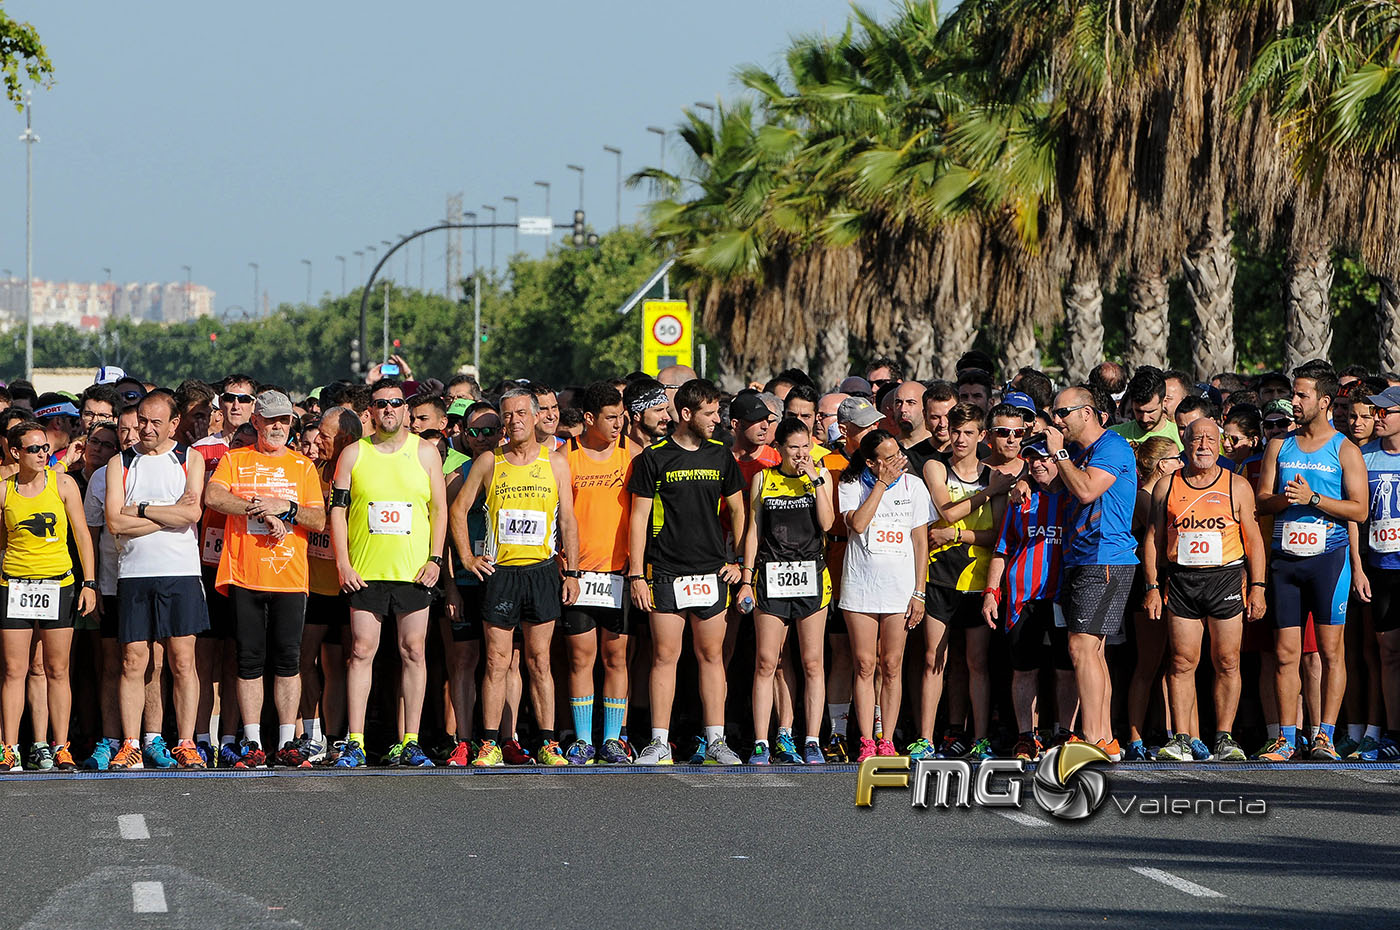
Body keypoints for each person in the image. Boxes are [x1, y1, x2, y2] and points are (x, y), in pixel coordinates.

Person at [453, 387, 579, 767]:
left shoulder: (555, 462)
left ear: (537, 416)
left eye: (522, 413)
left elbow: (567, 520)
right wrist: (467, 558)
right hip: (501, 573)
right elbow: (458, 510)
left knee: (539, 661)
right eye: (507, 415)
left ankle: (547, 743)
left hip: (541, 571)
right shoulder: (489, 461)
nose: (514, 420)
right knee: (496, 660)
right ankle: (489, 743)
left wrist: (572, 571)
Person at [328, 379, 448, 768]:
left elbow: (439, 510)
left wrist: (435, 559)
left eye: (396, 403)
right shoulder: (353, 454)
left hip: (413, 571)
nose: (389, 410)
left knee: (413, 650)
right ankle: (356, 741)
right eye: (381, 404)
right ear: (371, 412)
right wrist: (343, 563)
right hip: (366, 571)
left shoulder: (425, 452)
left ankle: (410, 740)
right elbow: (337, 512)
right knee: (361, 650)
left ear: (406, 410)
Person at [203, 391, 326, 768]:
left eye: (284, 420)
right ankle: (253, 739)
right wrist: (258, 509)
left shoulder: (303, 466)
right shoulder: (236, 459)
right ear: (255, 421)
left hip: (290, 579)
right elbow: (213, 497)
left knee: (289, 661)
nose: (278, 427)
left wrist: (285, 508)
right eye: (271, 419)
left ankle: (288, 740)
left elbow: (318, 520)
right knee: (249, 661)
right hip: (245, 574)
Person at [627, 379, 746, 765]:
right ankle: (659, 742)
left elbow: (739, 510)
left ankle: (716, 741)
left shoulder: (721, 455)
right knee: (665, 656)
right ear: (685, 414)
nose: (717, 420)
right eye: (709, 414)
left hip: (712, 572)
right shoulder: (653, 457)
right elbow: (638, 518)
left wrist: (738, 561)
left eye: (717, 412)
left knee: (711, 656)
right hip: (665, 571)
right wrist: (636, 575)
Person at [1254, 362, 1368, 761]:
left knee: (1330, 653)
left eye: (1302, 395)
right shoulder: (1278, 446)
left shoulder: (1345, 449)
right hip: (1286, 562)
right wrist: (1285, 500)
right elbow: (1261, 500)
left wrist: (1314, 499)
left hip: (1328, 561)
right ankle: (1286, 738)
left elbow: (1359, 510)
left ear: (1324, 401)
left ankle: (1325, 736)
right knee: (1285, 654)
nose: (1294, 402)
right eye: (1293, 394)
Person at [1143, 417, 1267, 762]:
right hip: (1183, 580)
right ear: (1185, 443)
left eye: (1211, 439)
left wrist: (1258, 587)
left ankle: (1224, 737)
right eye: (1196, 439)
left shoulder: (1237, 485)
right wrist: (1151, 585)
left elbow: (1254, 541)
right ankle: (1181, 738)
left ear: (1221, 444)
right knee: (1182, 661)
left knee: (1227, 660)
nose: (1203, 446)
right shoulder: (1166, 486)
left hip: (1225, 579)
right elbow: (1152, 539)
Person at [104, 391, 209, 770]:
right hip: (134, 574)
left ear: (174, 424)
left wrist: (143, 510)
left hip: (181, 573)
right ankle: (131, 743)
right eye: (142, 421)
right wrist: (168, 516)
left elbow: (192, 514)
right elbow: (115, 521)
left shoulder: (189, 458)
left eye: (155, 422)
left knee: (182, 661)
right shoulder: (120, 462)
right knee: (133, 661)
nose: (146, 429)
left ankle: (186, 742)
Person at [914, 404, 1013, 761]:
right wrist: (986, 494)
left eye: (968, 432)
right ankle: (926, 739)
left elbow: (996, 535)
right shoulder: (936, 467)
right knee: (933, 658)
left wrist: (957, 534)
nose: (960, 439)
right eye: (955, 431)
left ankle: (980, 738)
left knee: (976, 663)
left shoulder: (993, 476)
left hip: (976, 579)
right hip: (939, 577)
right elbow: (946, 510)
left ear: (981, 436)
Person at [1046, 386, 1139, 761]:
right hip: (1081, 556)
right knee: (1093, 651)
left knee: (1081, 647)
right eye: (1053, 413)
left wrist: (1059, 455)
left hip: (1104, 557)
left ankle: (1094, 738)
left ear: (1087, 412)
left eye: (1062, 413)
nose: (1056, 420)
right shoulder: (1080, 452)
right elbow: (1058, 485)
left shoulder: (1111, 446)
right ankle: (1104, 738)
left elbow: (1086, 491)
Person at [0, 420, 99, 772]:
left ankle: (60, 747)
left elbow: (82, 536)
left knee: (56, 669)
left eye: (45, 448)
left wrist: (89, 583)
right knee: (14, 670)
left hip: (58, 584)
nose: (43, 454)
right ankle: (9, 748)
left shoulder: (63, 483)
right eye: (34, 449)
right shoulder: (4, 491)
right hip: (15, 585)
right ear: (15, 452)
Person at [736, 417, 834, 765]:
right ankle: (762, 741)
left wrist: (815, 478)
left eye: (806, 446)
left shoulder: (820, 477)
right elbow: (753, 530)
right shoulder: (764, 479)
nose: (801, 453)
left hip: (812, 576)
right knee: (768, 660)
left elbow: (828, 523)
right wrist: (746, 579)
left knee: (812, 661)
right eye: (793, 447)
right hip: (771, 576)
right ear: (778, 449)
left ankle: (812, 740)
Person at [553, 382, 635, 765]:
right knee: (580, 657)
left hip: (619, 571)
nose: (619, 424)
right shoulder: (564, 456)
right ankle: (583, 739)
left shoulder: (632, 454)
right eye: (611, 418)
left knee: (616, 657)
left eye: (621, 417)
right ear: (589, 418)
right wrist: (562, 562)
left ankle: (613, 740)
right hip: (578, 573)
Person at [980, 435, 1075, 761]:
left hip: (1063, 597)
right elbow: (1002, 549)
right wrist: (991, 592)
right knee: (1024, 669)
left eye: (1044, 458)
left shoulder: (1076, 496)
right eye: (1032, 458)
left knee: (1067, 669)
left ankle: (1065, 735)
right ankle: (1025, 737)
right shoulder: (1021, 499)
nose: (1037, 464)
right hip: (1023, 600)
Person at [838, 429, 931, 762]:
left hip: (900, 588)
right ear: (871, 462)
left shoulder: (914, 486)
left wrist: (919, 592)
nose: (897, 462)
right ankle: (866, 739)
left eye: (898, 454)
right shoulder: (851, 483)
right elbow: (858, 524)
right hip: (861, 585)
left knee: (891, 665)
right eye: (889, 458)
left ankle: (887, 738)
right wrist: (880, 484)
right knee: (865, 664)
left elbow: (920, 542)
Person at [1351, 386, 1400, 760]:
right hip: (1380, 567)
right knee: (1388, 652)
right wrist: (1357, 565)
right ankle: (1393, 734)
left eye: (1385, 412)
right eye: (1375, 412)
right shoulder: (1364, 456)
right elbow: (1355, 514)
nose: (1376, 418)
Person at [1112, 367, 1181, 449]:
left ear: (1164, 401)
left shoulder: (1181, 437)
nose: (1145, 419)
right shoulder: (1113, 436)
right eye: (1139, 411)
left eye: (1150, 411)